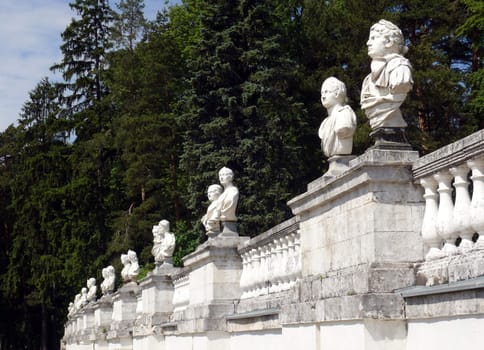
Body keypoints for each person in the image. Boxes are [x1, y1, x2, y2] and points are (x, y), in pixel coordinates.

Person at [360, 19, 413, 132]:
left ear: (389, 42)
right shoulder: (368, 79)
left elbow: (401, 84)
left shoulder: (399, 66)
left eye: (373, 38)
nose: (368, 43)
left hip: (392, 122)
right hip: (380, 123)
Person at [318, 77, 357, 157]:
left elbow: (343, 128)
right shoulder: (325, 122)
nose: (323, 96)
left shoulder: (344, 113)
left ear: (337, 93)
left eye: (326, 92)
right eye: (322, 93)